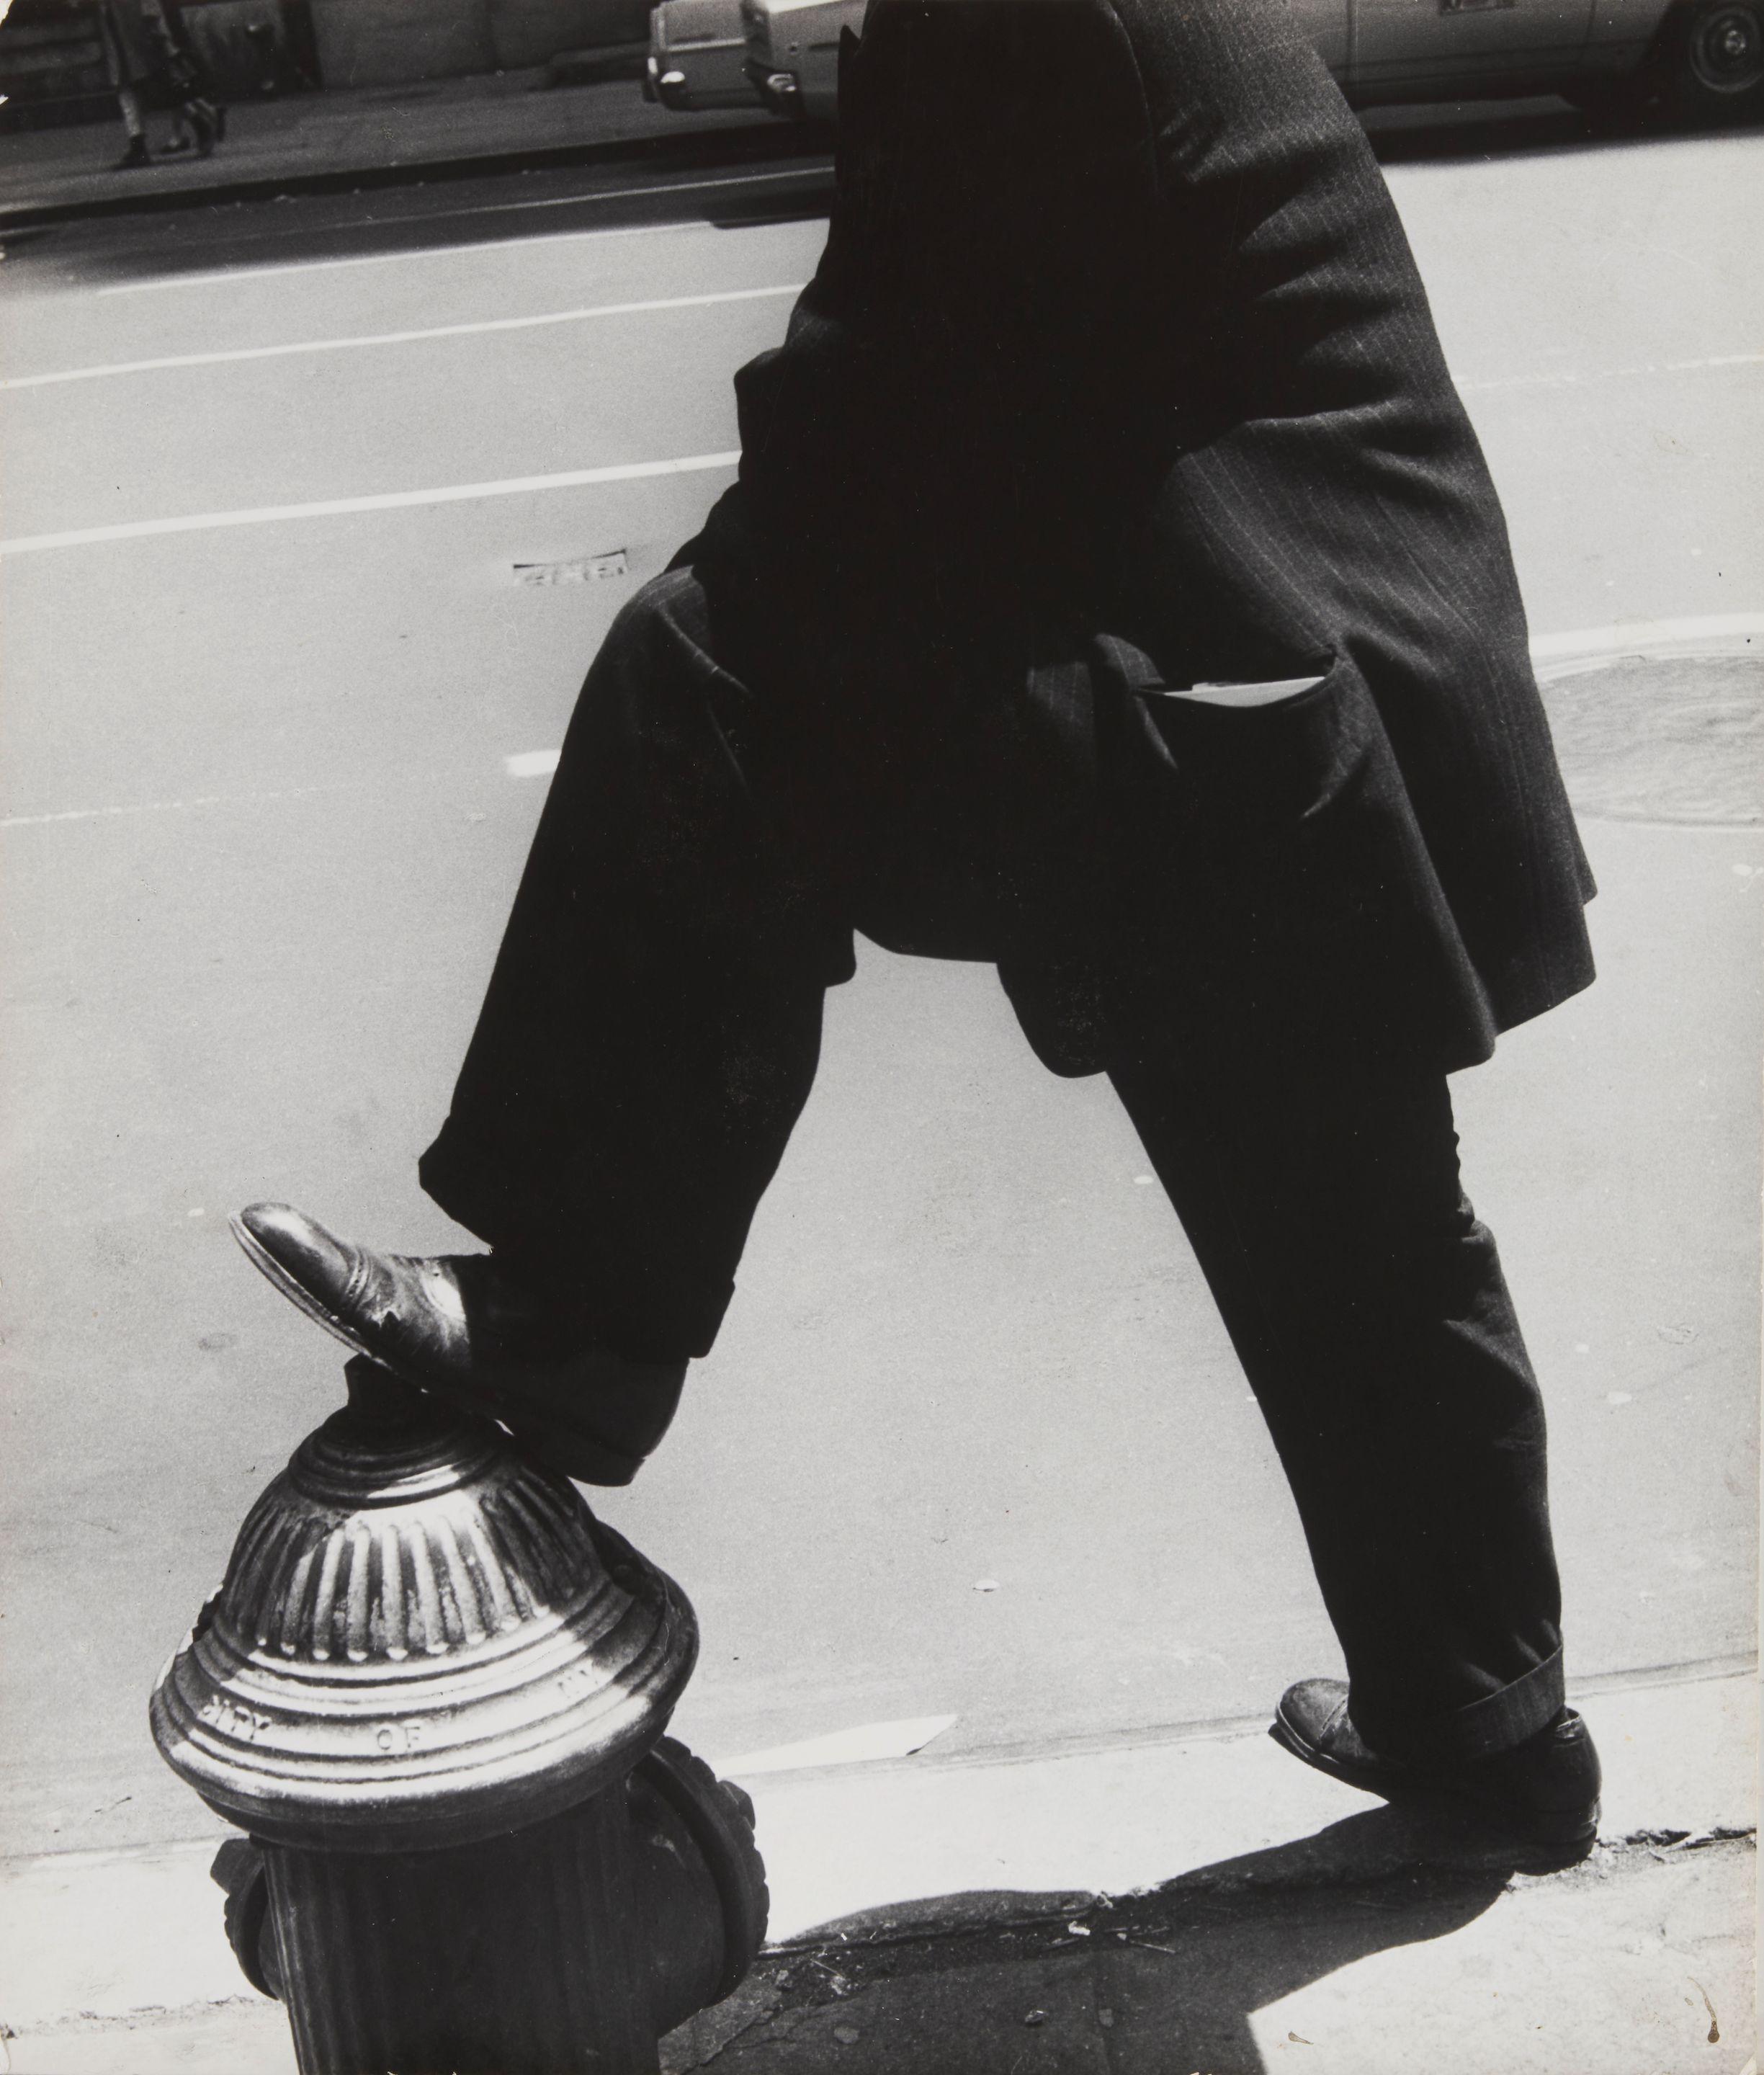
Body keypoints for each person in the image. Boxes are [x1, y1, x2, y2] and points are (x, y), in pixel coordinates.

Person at [235, 0, 1603, 1849]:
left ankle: (579, 1319)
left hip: (1264, 658)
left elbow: (874, 403)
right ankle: (1488, 1733)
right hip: (1289, 637)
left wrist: (751, 591)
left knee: (695, 674)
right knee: (1344, 1222)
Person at [100, 0, 223, 168]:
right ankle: (139, 145)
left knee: (156, 87)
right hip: (119, 26)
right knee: (128, 86)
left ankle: (200, 124)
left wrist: (154, 21)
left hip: (138, 29)